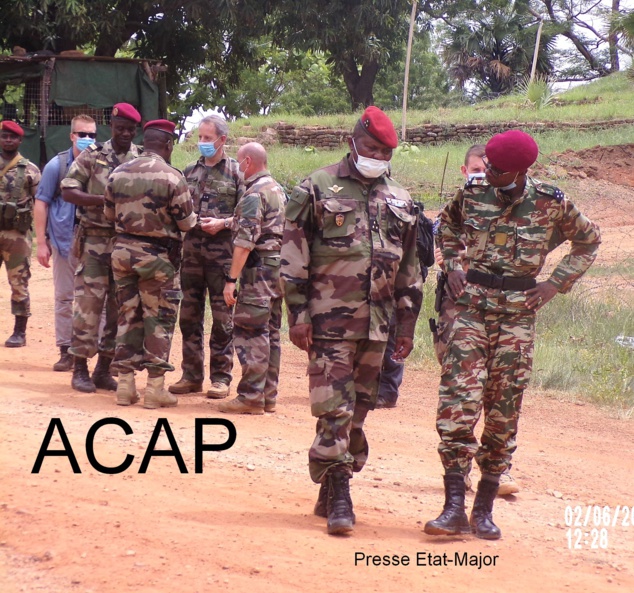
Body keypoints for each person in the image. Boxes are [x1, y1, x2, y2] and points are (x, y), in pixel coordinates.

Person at [424, 130, 601, 540]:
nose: (490, 174)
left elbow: (589, 241)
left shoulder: (551, 202)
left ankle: (483, 510)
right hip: (471, 308)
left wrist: (555, 283)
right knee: (457, 403)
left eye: (499, 171)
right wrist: (451, 264)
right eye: (488, 166)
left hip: (518, 315)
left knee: (503, 412)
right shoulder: (472, 193)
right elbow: (445, 226)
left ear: (522, 170)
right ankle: (452, 507)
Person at [280, 107, 422, 535]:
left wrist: (408, 323)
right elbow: (292, 256)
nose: (378, 155)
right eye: (372, 147)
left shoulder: (400, 196)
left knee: (360, 409)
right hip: (328, 322)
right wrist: (298, 314)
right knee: (334, 407)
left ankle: (330, 481)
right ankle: (340, 491)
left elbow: (410, 266)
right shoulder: (317, 186)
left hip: (379, 324)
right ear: (353, 142)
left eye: (385, 151)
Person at [430, 144, 520, 497]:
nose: (482, 175)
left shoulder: (507, 207)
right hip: (459, 308)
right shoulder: (459, 206)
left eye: (488, 168)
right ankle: (459, 470)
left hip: (499, 310)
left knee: (499, 391)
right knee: (462, 390)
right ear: (466, 173)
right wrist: (453, 262)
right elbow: (441, 250)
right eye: (476, 170)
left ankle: (500, 469)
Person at [104, 119, 196, 408]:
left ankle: (125, 386)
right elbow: (186, 222)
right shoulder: (172, 177)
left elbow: (109, 215)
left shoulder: (118, 173)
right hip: (158, 259)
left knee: (127, 315)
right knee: (159, 320)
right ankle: (155, 389)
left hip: (121, 254)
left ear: (144, 143)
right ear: (168, 145)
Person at [61, 103, 142, 393]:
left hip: (126, 243)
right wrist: (102, 201)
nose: (124, 134)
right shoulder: (92, 156)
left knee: (119, 308)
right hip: (94, 240)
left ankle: (103, 370)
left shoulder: (140, 159)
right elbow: (68, 190)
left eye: (130, 130)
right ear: (111, 126)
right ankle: (79, 369)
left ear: (135, 130)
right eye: (120, 128)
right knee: (88, 305)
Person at [169, 115, 242, 399]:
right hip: (191, 257)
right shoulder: (189, 171)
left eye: (207, 138)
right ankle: (191, 375)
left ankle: (221, 378)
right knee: (188, 317)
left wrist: (223, 224)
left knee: (223, 320)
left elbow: (247, 216)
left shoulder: (236, 173)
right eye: (200, 138)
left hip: (223, 258)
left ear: (222, 140)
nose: (202, 143)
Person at [211, 142, 287, 415]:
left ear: (247, 162)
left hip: (259, 271)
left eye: (240, 161)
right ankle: (268, 395)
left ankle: (250, 396)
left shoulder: (254, 194)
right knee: (271, 332)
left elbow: (245, 243)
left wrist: (231, 279)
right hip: (278, 269)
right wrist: (222, 223)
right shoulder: (278, 190)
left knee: (251, 330)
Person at [34, 114, 97, 371]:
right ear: (72, 136)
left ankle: (103, 354)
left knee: (99, 298)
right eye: (82, 134)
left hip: (94, 240)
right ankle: (65, 351)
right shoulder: (55, 166)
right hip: (64, 239)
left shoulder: (101, 163)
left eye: (92, 135)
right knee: (64, 297)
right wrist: (41, 242)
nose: (87, 139)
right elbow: (41, 203)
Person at [0, 120, 41, 347]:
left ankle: (19, 332)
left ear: (20, 140)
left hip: (16, 235)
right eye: (4, 136)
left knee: (19, 282)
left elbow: (40, 200)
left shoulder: (30, 170)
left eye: (12, 137)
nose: (8, 140)